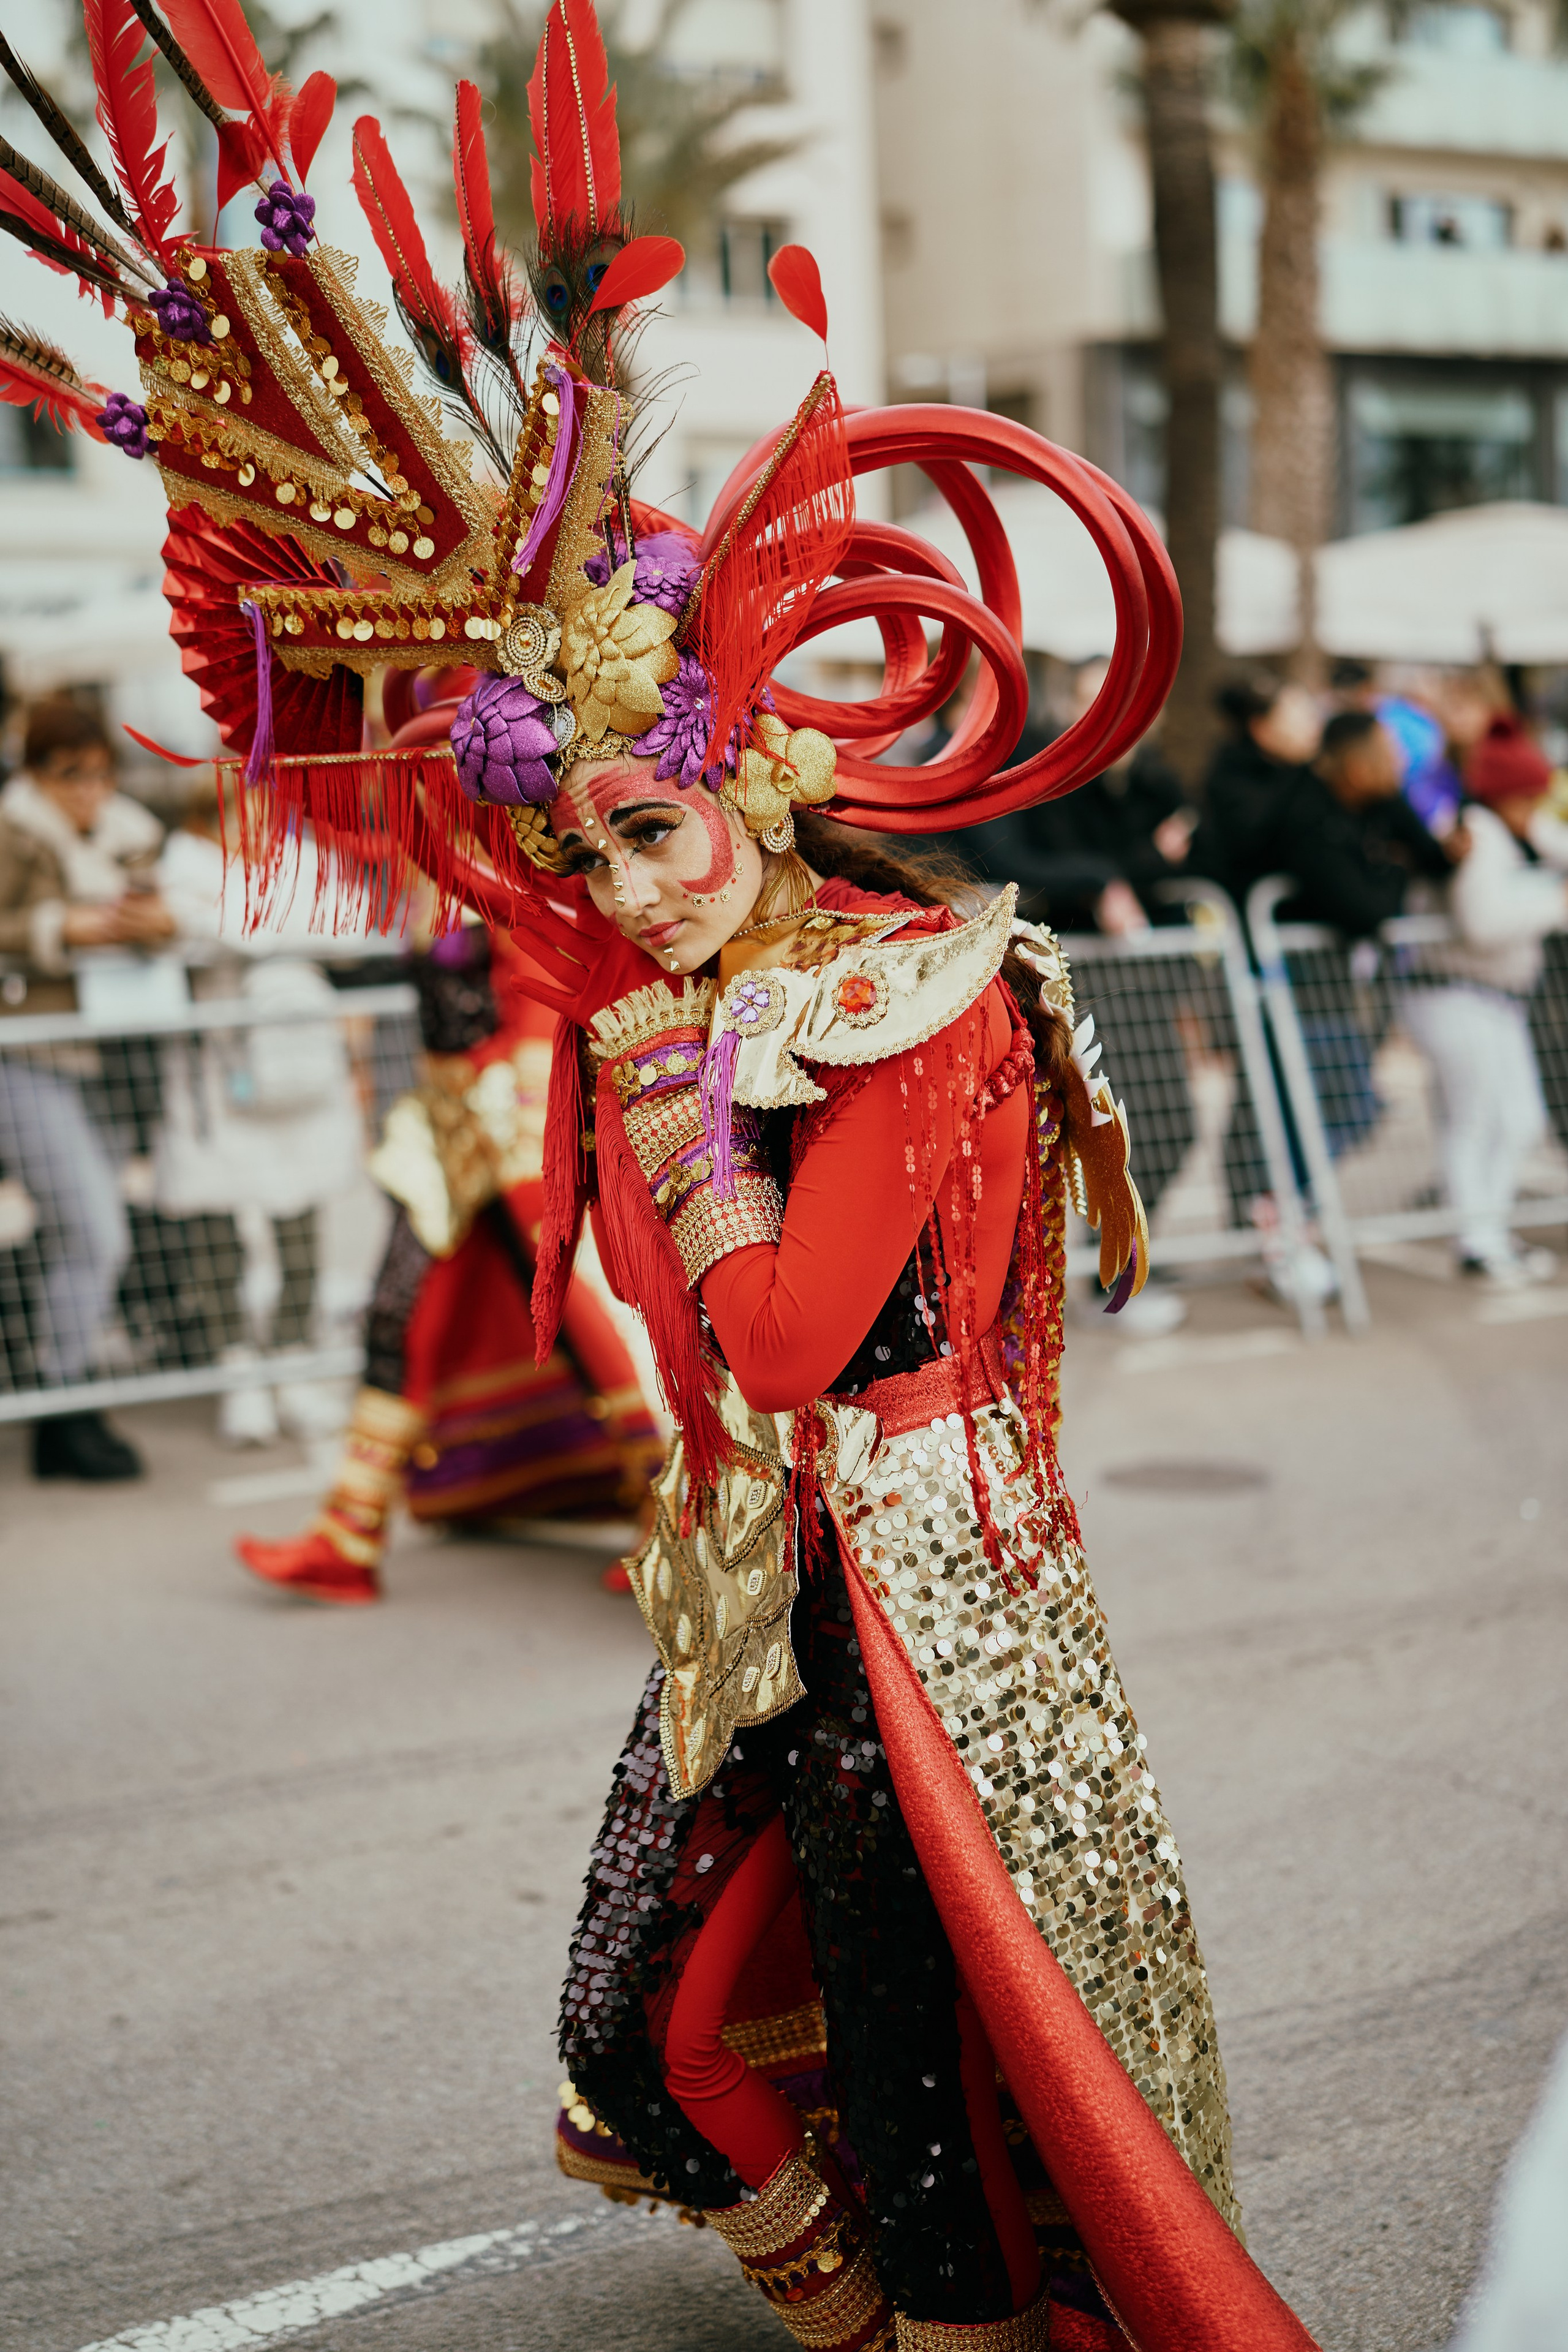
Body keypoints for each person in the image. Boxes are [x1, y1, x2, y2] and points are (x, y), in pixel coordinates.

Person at [2, 6, 1321, 2342]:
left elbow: (796, 1334)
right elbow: (687, 1347)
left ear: (759, 781)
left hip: (915, 1590)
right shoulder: (671, 1008)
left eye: (650, 820)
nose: (621, 876)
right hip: (760, 1579)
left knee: (913, 2066)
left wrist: (690, 1136)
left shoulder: (895, 992)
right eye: (579, 844)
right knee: (648, 2034)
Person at [233, 920, 666, 1606]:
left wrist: (527, 1120)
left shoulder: (505, 843)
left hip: (518, 1127)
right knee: (397, 1311)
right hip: (445, 1131)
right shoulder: (426, 861)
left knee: (578, 1319)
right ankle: (351, 1527)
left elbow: (537, 982)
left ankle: (668, 1517)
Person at [154, 769, 366, 1439]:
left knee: (301, 1213)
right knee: (219, 1219)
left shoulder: (301, 857)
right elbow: (190, 927)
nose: (251, 824)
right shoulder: (182, 867)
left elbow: (352, 922)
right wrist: (280, 925)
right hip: (216, 1077)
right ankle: (238, 1371)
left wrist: (246, 928)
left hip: (301, 1071)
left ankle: (294, 1364)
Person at [0, 699, 173, 1477]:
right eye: (71, 775)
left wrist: (152, 924)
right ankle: (62, 1408)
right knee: (95, 1232)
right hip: (30, 1054)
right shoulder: (14, 831)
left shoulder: (132, 830)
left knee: (83, 1232)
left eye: (101, 773)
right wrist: (59, 929)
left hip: (110, 1052)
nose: (89, 790)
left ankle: (53, 1397)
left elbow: (169, 911)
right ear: (37, 773)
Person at [1400, 715, 1568, 1286]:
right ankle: (1477, 1241)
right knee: (1474, 1120)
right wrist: (1556, 904)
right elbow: (1483, 924)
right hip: (1451, 994)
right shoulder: (1474, 832)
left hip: (1498, 1000)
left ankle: (1491, 1232)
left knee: (1519, 1121)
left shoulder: (1523, 830)